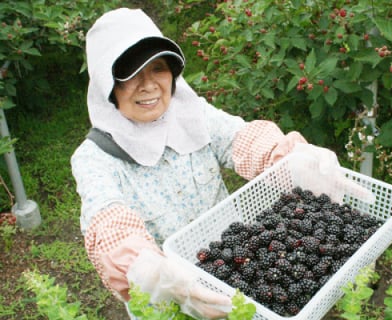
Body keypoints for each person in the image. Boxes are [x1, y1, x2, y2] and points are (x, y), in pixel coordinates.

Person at [71, 7, 373, 320]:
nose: (148, 85)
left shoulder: (192, 116)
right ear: (107, 86)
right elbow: (107, 222)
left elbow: (240, 139)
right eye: (131, 74)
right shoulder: (95, 158)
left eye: (158, 68)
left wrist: (291, 159)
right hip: (168, 295)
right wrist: (152, 273)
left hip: (231, 270)